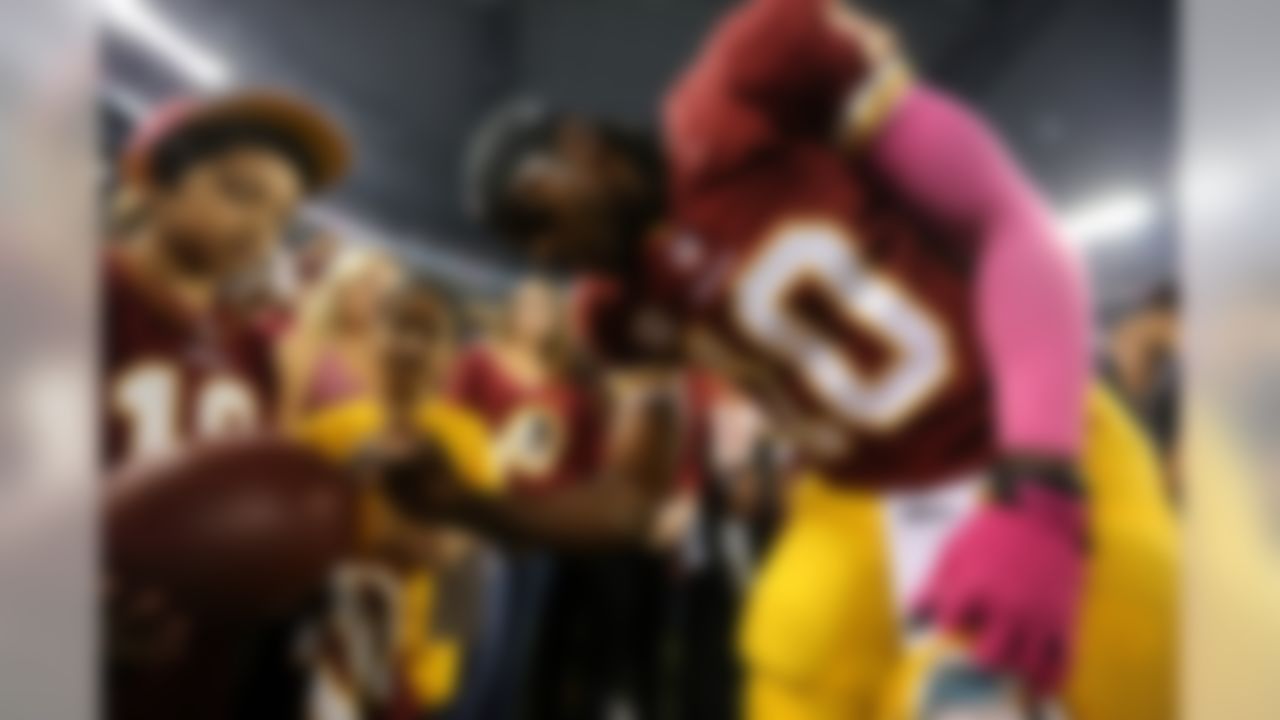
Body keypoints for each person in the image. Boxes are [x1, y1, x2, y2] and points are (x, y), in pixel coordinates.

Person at [398, 1, 1175, 718]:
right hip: (856, 500)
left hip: (1009, 441)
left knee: (1100, 673)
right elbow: (632, 503)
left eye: (537, 216)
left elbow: (1006, 222)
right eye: (522, 247)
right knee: (788, 679)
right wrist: (471, 507)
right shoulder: (618, 312)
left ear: (582, 147)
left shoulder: (751, 84)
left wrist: (1040, 484)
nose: (546, 255)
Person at [103, 89, 350, 720]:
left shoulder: (251, 349)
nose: (259, 229)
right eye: (239, 192)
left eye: (281, 216)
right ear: (157, 183)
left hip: (193, 678)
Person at [292, 274, 503, 720]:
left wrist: (443, 671)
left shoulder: (470, 440)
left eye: (428, 333)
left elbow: (454, 560)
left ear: (451, 355)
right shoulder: (322, 434)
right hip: (332, 655)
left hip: (418, 666)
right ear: (372, 333)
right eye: (397, 325)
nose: (409, 345)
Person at [278, 247, 402, 429]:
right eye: (368, 286)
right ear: (342, 285)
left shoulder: (390, 356)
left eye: (385, 292)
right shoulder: (304, 344)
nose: (377, 297)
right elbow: (286, 426)